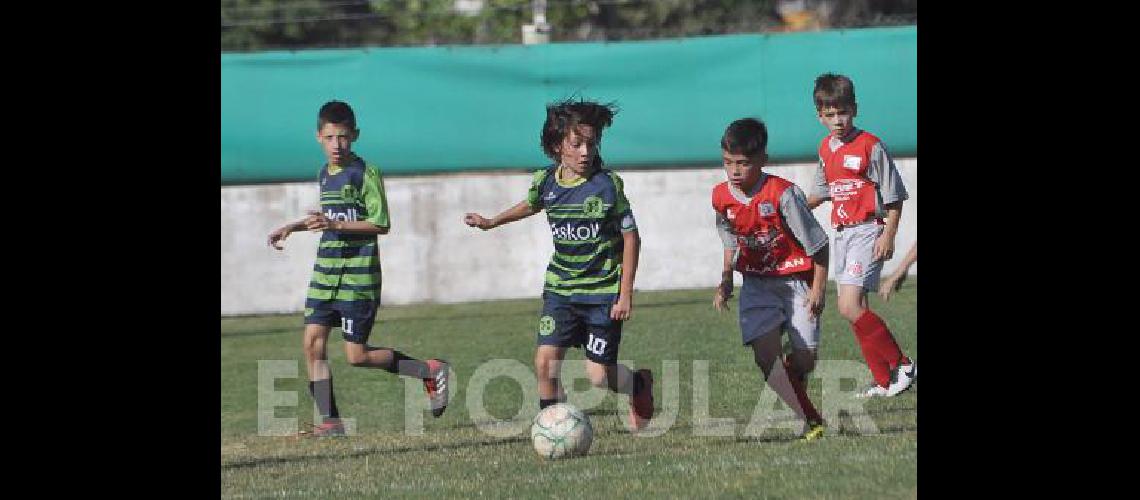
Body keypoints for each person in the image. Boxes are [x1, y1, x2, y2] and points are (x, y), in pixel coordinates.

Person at [463, 98, 654, 432]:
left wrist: (625, 295)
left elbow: (631, 239)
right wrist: (491, 221)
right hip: (561, 290)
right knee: (545, 363)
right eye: (576, 144)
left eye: (590, 144)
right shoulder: (547, 183)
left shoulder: (607, 186)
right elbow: (530, 205)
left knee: (598, 376)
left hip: (602, 293)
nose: (585, 152)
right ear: (556, 147)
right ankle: (554, 428)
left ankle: (637, 385)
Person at [267, 100, 450, 437]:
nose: (338, 145)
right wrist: (293, 227)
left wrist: (334, 225)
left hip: (357, 277)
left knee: (357, 355)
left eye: (344, 138)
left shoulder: (366, 173)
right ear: (318, 137)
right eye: (331, 138)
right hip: (326, 273)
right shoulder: (324, 174)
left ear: (356, 136)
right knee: (312, 343)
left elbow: (380, 223)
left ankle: (428, 370)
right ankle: (331, 421)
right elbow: (329, 219)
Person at [712, 117, 828, 441]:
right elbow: (730, 239)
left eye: (743, 163)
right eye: (728, 163)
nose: (734, 171)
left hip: (797, 283)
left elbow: (819, 245)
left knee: (805, 359)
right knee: (766, 357)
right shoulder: (721, 197)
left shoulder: (784, 195)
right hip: (757, 285)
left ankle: (795, 380)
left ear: (763, 159)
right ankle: (810, 420)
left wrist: (817, 289)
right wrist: (725, 279)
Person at [805, 73, 916, 398]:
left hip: (868, 231)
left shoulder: (870, 145)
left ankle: (904, 364)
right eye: (830, 114)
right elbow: (819, 193)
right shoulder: (825, 149)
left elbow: (894, 196)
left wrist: (889, 235)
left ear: (854, 109)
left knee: (848, 306)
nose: (838, 121)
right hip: (842, 235)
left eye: (843, 112)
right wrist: (789, 210)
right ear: (820, 116)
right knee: (856, 308)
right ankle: (884, 379)